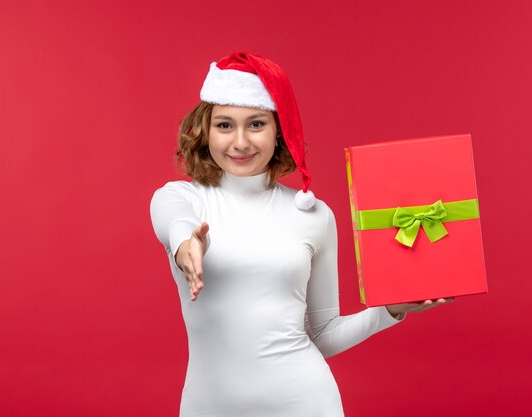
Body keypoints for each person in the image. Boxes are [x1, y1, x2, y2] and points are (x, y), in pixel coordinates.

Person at [150, 51, 451, 417]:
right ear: (205, 130)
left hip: (306, 403)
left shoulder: (314, 215)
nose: (240, 142)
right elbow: (174, 222)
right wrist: (187, 245)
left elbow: (323, 334)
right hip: (208, 406)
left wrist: (388, 311)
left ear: (279, 132)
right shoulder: (181, 198)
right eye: (225, 125)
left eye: (256, 124)